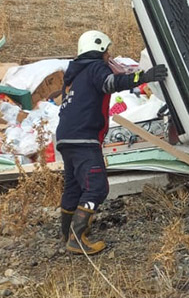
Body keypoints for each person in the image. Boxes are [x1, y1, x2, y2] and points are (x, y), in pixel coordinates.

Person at [55, 30, 167, 254]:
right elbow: (110, 83)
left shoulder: (75, 76)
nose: (109, 55)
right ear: (99, 50)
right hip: (84, 137)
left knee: (74, 187)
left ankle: (66, 234)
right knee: (96, 187)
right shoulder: (95, 67)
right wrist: (143, 77)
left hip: (65, 138)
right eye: (107, 50)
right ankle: (77, 238)